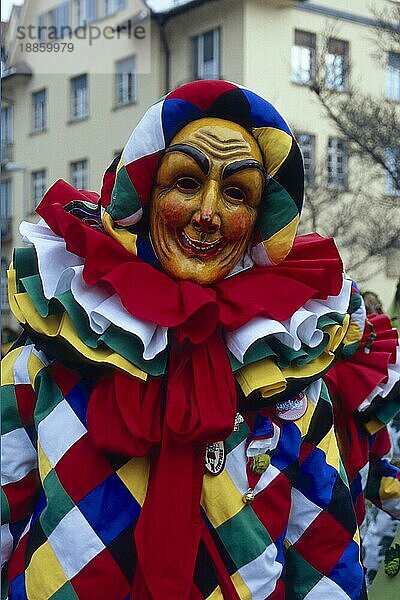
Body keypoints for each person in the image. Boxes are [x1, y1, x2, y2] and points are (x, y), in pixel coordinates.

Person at [2, 80, 399, 599]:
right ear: (145, 195)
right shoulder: (45, 363)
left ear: (260, 222)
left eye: (237, 194)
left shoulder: (289, 374)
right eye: (187, 182)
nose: (208, 213)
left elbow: (323, 555)